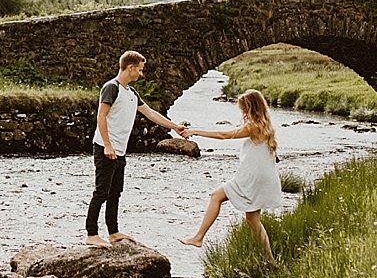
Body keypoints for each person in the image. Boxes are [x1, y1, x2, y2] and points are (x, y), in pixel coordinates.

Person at [86, 50, 189, 248]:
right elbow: (101, 116)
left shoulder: (131, 93)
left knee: (115, 192)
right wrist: (107, 144)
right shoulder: (111, 87)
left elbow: (150, 113)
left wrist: (175, 126)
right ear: (130, 67)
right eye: (140, 70)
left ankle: (113, 232)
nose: (141, 74)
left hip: (120, 150)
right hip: (105, 147)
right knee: (101, 192)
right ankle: (91, 234)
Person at [178, 88, 279, 264]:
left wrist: (195, 132)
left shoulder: (253, 126)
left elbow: (224, 135)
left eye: (243, 109)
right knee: (253, 220)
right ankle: (269, 261)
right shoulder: (266, 126)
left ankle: (198, 238)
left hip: (252, 178)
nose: (242, 112)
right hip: (262, 177)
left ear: (250, 108)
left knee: (216, 196)